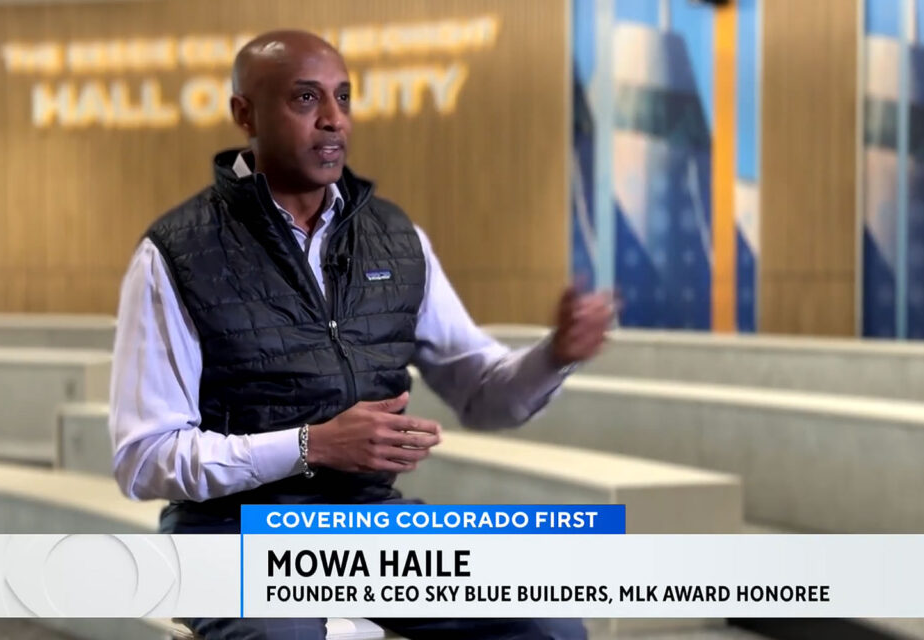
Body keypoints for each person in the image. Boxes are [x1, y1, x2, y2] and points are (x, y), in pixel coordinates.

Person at [109, 30, 613, 640]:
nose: (333, 119)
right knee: (284, 636)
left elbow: (482, 391)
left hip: (365, 523)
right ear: (245, 114)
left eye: (343, 97)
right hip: (227, 530)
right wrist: (309, 446)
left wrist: (555, 355)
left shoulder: (397, 240)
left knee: (547, 624)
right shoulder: (175, 254)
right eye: (305, 98)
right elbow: (144, 458)